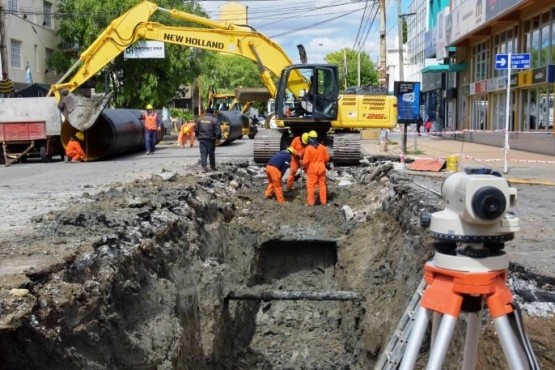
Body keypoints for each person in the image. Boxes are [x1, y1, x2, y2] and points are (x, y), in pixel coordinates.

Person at [303, 131, 330, 206]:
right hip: (321, 168)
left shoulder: (308, 148)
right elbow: (327, 158)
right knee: (322, 185)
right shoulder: (322, 147)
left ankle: (310, 203)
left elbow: (305, 161)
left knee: (311, 186)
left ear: (309, 138)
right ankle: (323, 202)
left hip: (312, 169)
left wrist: (304, 167)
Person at [194, 107, 221, 172]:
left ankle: (204, 168)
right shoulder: (215, 120)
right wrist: (218, 138)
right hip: (211, 139)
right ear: (212, 112)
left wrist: (197, 136)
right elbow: (218, 131)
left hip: (202, 139)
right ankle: (212, 167)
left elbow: (196, 129)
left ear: (206, 112)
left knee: (203, 153)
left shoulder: (200, 119)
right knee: (211, 154)